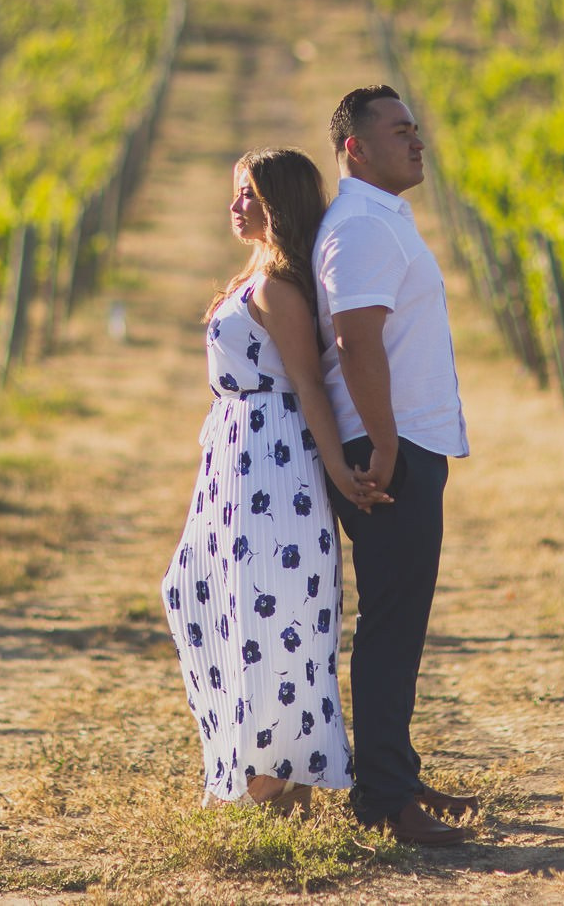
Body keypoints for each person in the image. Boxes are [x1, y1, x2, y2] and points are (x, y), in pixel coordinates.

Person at [161, 147, 375, 812]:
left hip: (274, 462)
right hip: (237, 460)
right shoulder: (256, 276)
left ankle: (277, 777)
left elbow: (308, 384)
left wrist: (338, 466)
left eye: (248, 193)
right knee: (209, 597)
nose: (235, 205)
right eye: (234, 191)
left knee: (271, 607)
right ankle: (265, 768)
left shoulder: (279, 287)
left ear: (277, 202)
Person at [313, 85, 478, 847]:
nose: (418, 141)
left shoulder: (377, 219)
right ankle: (383, 798)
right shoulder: (362, 227)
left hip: (404, 440)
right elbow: (354, 339)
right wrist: (381, 442)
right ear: (356, 148)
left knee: (399, 620)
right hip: (391, 447)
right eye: (400, 130)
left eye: (418, 127)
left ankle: (394, 773)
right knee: (390, 623)